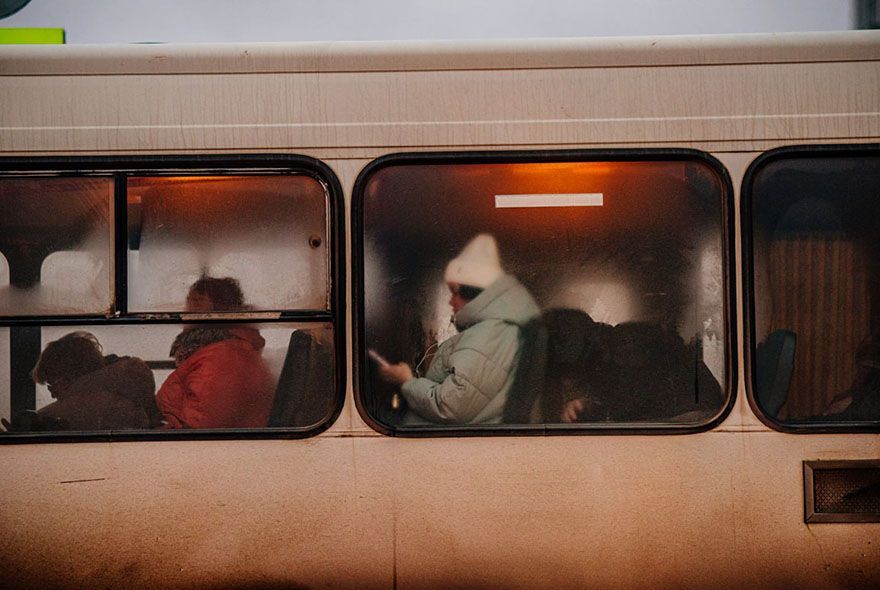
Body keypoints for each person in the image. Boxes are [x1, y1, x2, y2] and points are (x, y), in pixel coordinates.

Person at [378, 234, 540, 424]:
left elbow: (451, 406)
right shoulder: (499, 329)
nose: (450, 301)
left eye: (455, 292)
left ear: (475, 293)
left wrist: (406, 381)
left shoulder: (489, 333)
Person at [156, 276, 275, 429]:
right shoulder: (217, 350)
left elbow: (200, 424)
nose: (188, 309)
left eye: (198, 301)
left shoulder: (223, 356)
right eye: (189, 301)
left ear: (220, 309)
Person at [2, 331, 159, 431]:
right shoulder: (126, 397)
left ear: (63, 378)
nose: (53, 395)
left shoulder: (82, 410)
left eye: (51, 386)